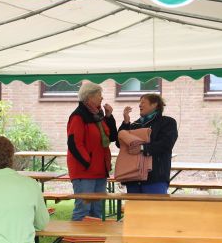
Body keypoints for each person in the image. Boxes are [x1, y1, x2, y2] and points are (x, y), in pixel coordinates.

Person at [67, 82, 117, 221]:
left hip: (100, 171)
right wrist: (88, 163)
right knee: (83, 211)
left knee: (97, 212)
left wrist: (109, 116)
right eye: (99, 95)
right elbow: (75, 143)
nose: (102, 98)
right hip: (84, 172)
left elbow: (112, 136)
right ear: (89, 97)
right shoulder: (78, 116)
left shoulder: (99, 116)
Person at [118, 93, 178, 194]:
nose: (139, 105)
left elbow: (166, 144)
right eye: (139, 103)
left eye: (143, 102)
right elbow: (120, 144)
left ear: (154, 104)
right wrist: (126, 123)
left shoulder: (167, 122)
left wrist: (142, 148)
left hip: (155, 178)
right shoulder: (134, 125)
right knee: (134, 209)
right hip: (133, 177)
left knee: (153, 209)